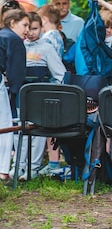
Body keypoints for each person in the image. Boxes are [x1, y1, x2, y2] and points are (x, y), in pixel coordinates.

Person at [12, 12, 67, 180]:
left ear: (41, 28)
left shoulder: (46, 47)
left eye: (34, 28)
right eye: (28, 27)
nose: (30, 32)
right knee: (18, 129)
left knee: (36, 131)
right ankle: (18, 166)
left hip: (39, 94)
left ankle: (33, 167)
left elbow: (60, 73)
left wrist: (54, 92)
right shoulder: (18, 45)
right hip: (21, 93)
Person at [0, 9, 28, 183]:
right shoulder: (14, 40)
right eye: (24, 25)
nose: (26, 29)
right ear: (12, 23)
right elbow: (17, 73)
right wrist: (15, 92)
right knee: (4, 125)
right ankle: (2, 170)